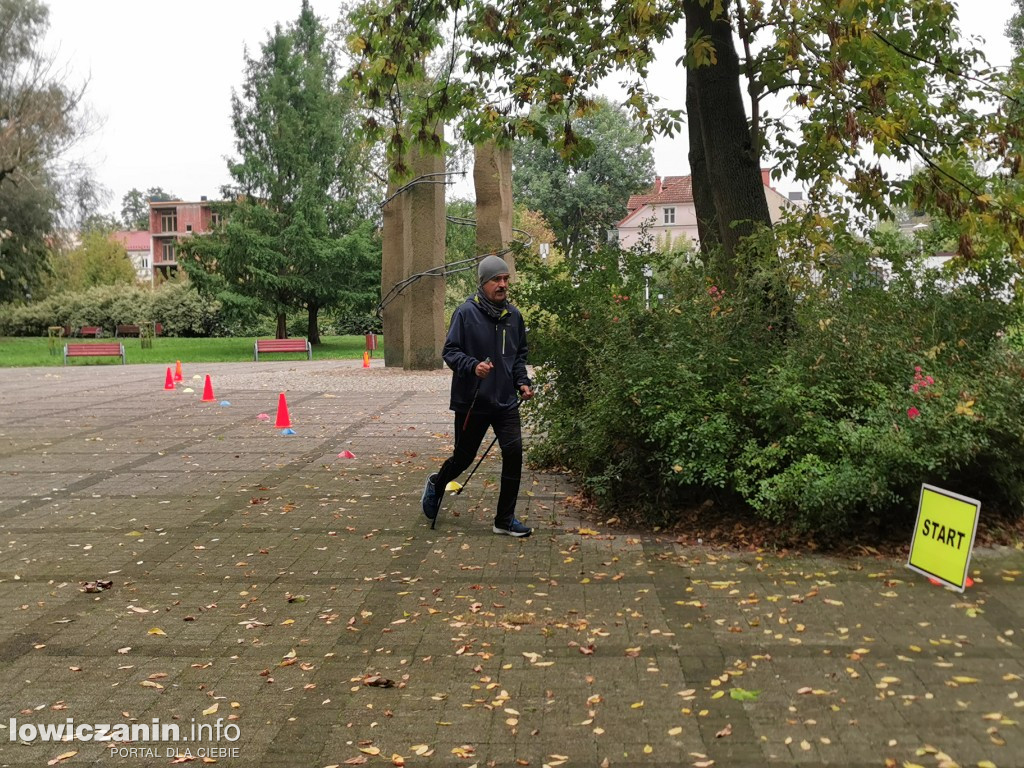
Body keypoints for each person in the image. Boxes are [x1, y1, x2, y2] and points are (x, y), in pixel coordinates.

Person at [421, 255, 534, 536]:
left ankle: (504, 520)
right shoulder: (465, 313)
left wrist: (522, 381)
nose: (503, 284)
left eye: (506, 279)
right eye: (497, 279)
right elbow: (450, 352)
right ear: (483, 282)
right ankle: (437, 484)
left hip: (505, 402)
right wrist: (473, 366)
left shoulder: (514, 317)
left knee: (514, 453)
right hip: (473, 400)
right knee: (463, 457)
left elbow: (518, 356)